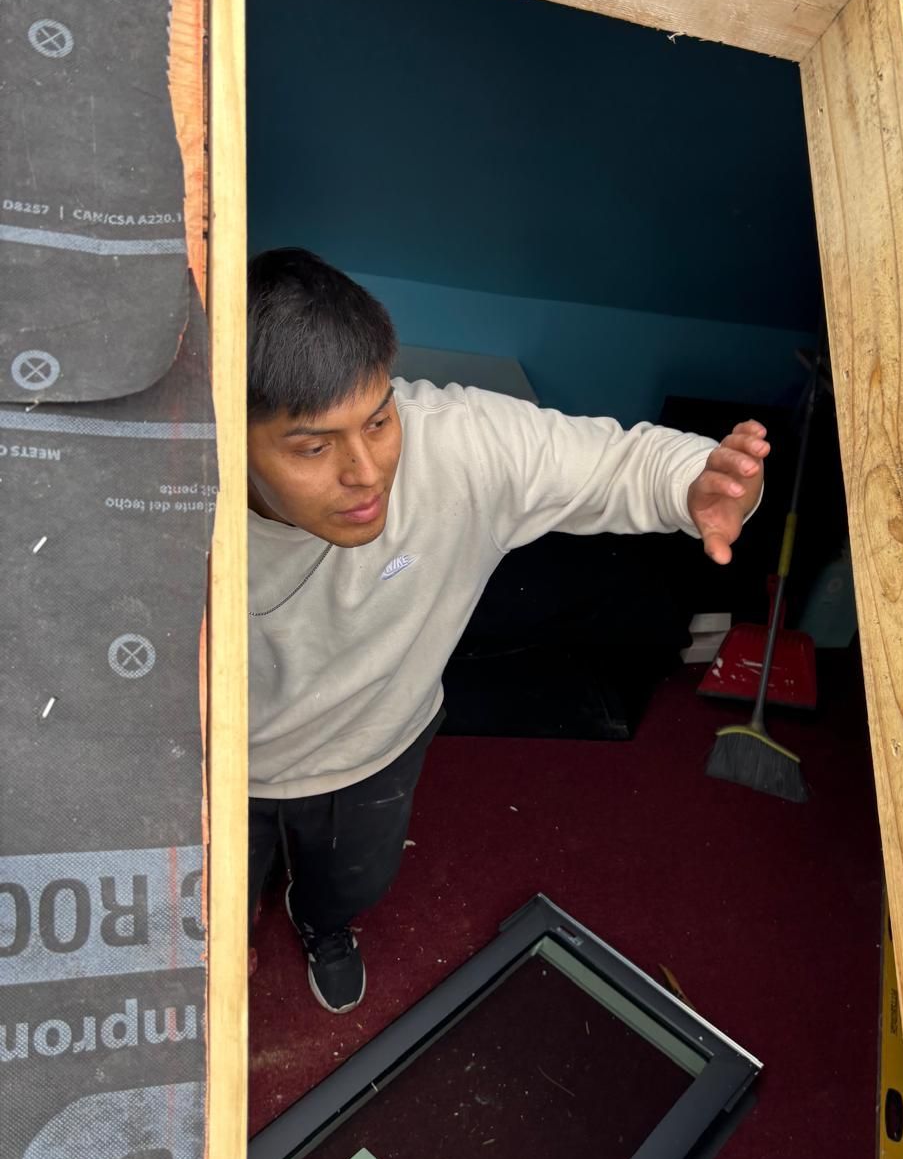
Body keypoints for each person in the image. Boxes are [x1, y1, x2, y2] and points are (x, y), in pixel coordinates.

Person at [247, 249, 768, 1013]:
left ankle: (322, 923)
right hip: (217, 769)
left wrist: (703, 483)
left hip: (376, 746)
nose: (366, 472)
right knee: (204, 923)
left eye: (379, 420)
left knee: (354, 884)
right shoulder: (166, 502)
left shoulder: (459, 442)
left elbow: (627, 463)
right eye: (314, 447)